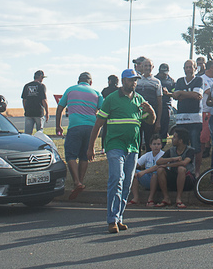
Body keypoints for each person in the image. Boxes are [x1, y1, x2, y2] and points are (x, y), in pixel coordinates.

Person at [88, 67, 155, 234]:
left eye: (135, 80)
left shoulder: (139, 99)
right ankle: (111, 219)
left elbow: (151, 121)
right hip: (114, 145)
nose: (134, 82)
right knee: (116, 179)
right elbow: (98, 124)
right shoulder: (111, 99)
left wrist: (151, 111)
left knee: (126, 183)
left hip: (132, 147)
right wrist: (91, 147)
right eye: (131, 80)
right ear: (123, 81)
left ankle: (119, 218)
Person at [54, 71, 102, 200]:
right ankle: (81, 180)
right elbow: (102, 111)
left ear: (78, 81)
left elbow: (60, 108)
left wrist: (58, 125)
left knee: (70, 155)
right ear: (90, 82)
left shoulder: (70, 90)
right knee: (84, 156)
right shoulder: (97, 93)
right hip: (91, 127)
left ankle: (77, 182)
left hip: (75, 126)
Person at [160, 128, 197, 208]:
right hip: (174, 178)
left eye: (174, 137)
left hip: (187, 179)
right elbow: (159, 162)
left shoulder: (190, 151)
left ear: (180, 141)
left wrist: (167, 165)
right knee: (160, 170)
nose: (172, 139)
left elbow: (184, 163)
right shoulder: (171, 150)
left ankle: (179, 198)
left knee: (181, 169)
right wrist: (172, 159)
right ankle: (166, 198)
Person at [131, 135, 170, 207]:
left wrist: (143, 172)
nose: (156, 146)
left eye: (158, 144)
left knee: (155, 174)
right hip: (148, 178)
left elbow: (157, 167)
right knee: (134, 173)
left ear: (161, 145)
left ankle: (150, 199)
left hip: (159, 180)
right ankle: (135, 198)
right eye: (154, 144)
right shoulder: (147, 155)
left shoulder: (163, 155)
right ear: (150, 146)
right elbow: (137, 164)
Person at [21, 70, 48, 135]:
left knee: (27, 133)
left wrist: (26, 109)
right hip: (38, 112)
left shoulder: (26, 86)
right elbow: (44, 100)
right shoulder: (41, 86)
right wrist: (47, 112)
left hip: (29, 113)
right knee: (39, 133)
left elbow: (24, 100)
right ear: (40, 77)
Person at [155, 62, 176, 140]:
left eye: (165, 73)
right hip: (155, 106)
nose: (163, 75)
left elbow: (175, 94)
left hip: (166, 106)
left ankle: (163, 143)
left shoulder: (171, 81)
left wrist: (167, 93)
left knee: (164, 127)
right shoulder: (155, 79)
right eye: (161, 73)